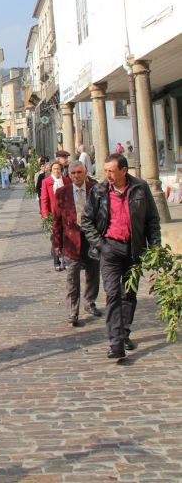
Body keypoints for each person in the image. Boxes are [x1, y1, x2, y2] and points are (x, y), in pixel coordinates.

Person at [82, 153, 161, 359]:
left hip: (134, 249)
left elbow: (152, 220)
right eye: (105, 170)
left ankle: (124, 332)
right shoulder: (98, 191)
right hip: (110, 249)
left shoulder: (140, 188)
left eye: (111, 171)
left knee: (129, 294)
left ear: (124, 171)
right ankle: (115, 342)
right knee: (113, 294)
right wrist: (101, 245)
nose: (107, 175)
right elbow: (87, 222)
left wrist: (155, 247)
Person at [52, 161, 100, 326]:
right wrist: (57, 243)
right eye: (73, 173)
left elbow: (103, 214)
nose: (76, 176)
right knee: (72, 278)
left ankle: (90, 302)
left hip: (92, 239)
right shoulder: (62, 192)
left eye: (79, 172)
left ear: (85, 172)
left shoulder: (95, 189)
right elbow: (56, 220)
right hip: (71, 240)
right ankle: (73, 311)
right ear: (69, 175)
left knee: (93, 274)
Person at [40, 161, 71, 271]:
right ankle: (56, 261)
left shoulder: (66, 181)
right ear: (51, 170)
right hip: (53, 214)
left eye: (58, 169)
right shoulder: (46, 182)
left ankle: (65, 260)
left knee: (66, 236)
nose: (57, 171)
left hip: (66, 214)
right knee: (56, 238)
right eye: (54, 169)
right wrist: (45, 213)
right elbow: (44, 199)